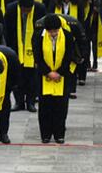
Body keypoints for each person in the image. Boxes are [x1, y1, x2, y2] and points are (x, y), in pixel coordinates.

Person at [32, 15, 76, 143]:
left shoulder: (67, 36)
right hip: (44, 75)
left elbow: (69, 56)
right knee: (45, 106)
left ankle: (59, 134)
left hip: (62, 76)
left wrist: (59, 73)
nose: (53, 34)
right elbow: (37, 57)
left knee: (60, 106)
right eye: (51, 31)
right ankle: (45, 134)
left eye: (56, 31)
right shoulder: (38, 36)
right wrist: (48, 73)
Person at [3, 0, 46, 112]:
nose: (27, 12)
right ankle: (19, 102)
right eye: (24, 10)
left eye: (29, 9)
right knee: (17, 77)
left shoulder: (40, 9)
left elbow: (43, 30)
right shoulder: (11, 9)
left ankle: (31, 102)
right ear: (19, 6)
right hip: (16, 47)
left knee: (32, 77)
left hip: (33, 48)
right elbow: (7, 30)